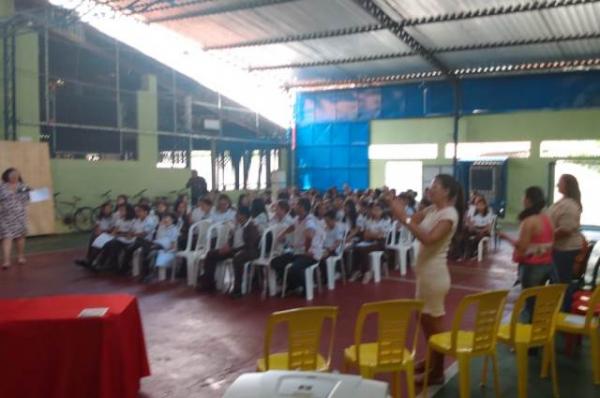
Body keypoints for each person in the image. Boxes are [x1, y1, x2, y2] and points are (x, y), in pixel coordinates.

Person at [389, 174, 463, 386]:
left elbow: (429, 239)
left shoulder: (449, 214)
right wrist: (396, 208)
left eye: (434, 186)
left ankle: (437, 372)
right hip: (425, 276)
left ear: (447, 191)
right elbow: (413, 222)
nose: (430, 189)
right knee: (423, 319)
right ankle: (432, 360)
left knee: (434, 327)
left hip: (435, 277)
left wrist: (404, 217)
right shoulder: (433, 210)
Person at [500, 186, 554, 322]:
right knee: (537, 301)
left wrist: (505, 237)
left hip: (532, 266)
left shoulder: (529, 222)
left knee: (529, 304)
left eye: (523, 196)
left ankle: (527, 337)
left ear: (529, 200)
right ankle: (539, 335)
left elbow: (522, 247)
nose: (522, 199)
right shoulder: (546, 219)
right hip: (547, 264)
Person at [199, 206, 260, 297]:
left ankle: (237, 289)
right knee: (211, 254)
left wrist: (233, 249)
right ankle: (209, 283)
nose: (236, 216)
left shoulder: (251, 227)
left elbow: (250, 245)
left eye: (238, 215)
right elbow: (233, 239)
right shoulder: (237, 225)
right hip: (234, 249)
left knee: (237, 259)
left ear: (244, 216)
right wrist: (227, 245)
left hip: (249, 251)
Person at [270, 198, 324, 295]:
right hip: (298, 252)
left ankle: (307, 288)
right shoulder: (298, 218)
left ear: (302, 207)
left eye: (297, 205)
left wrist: (307, 250)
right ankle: (292, 284)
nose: (294, 207)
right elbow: (292, 227)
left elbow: (310, 235)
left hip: (311, 254)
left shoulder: (310, 220)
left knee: (295, 268)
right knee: (275, 262)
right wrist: (282, 234)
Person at [548, 174, 583, 310]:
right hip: (560, 247)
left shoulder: (570, 205)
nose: (557, 185)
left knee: (562, 282)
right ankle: (558, 307)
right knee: (557, 280)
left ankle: (564, 309)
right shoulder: (564, 202)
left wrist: (547, 238)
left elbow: (565, 230)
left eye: (560, 183)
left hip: (565, 249)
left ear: (567, 186)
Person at [351, 202, 390, 284]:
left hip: (380, 243)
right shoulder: (369, 221)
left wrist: (372, 234)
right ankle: (357, 270)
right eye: (374, 209)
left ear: (382, 211)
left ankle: (367, 272)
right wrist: (374, 234)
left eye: (377, 210)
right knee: (356, 248)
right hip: (368, 241)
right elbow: (365, 235)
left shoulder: (385, 221)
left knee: (364, 249)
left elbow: (382, 235)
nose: (375, 211)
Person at [0, 168, 30, 269]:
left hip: (20, 215)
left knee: (20, 237)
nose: (14, 176)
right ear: (7, 175)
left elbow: (28, 199)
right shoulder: (2, 187)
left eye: (16, 175)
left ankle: (21, 256)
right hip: (5, 216)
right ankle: (6, 261)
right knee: (6, 237)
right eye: (12, 175)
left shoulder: (23, 186)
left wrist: (32, 192)